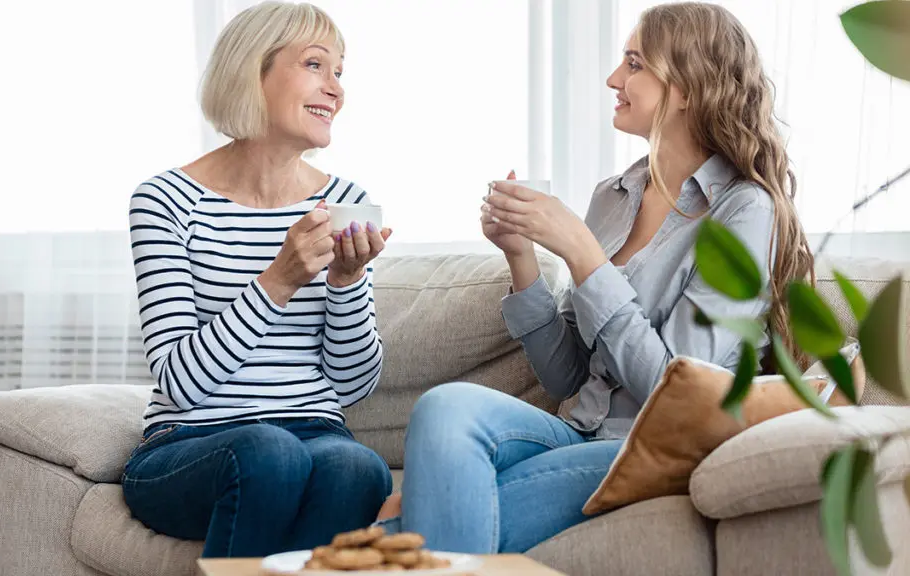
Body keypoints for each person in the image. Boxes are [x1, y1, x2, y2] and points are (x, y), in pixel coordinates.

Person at [375, 1, 812, 554]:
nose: (613, 78)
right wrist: (522, 257)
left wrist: (585, 256)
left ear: (685, 88)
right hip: (578, 431)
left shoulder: (744, 212)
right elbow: (567, 378)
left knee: (421, 522)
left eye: (634, 64)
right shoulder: (613, 196)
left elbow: (674, 393)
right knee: (445, 406)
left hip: (652, 447)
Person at [122, 1, 393, 558]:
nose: (337, 89)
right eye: (316, 65)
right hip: (189, 445)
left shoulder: (346, 202)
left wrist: (345, 281)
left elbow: (351, 387)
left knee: (358, 467)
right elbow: (179, 380)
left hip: (316, 433)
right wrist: (279, 279)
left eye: (340, 72)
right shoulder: (165, 202)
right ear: (253, 71)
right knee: (270, 452)